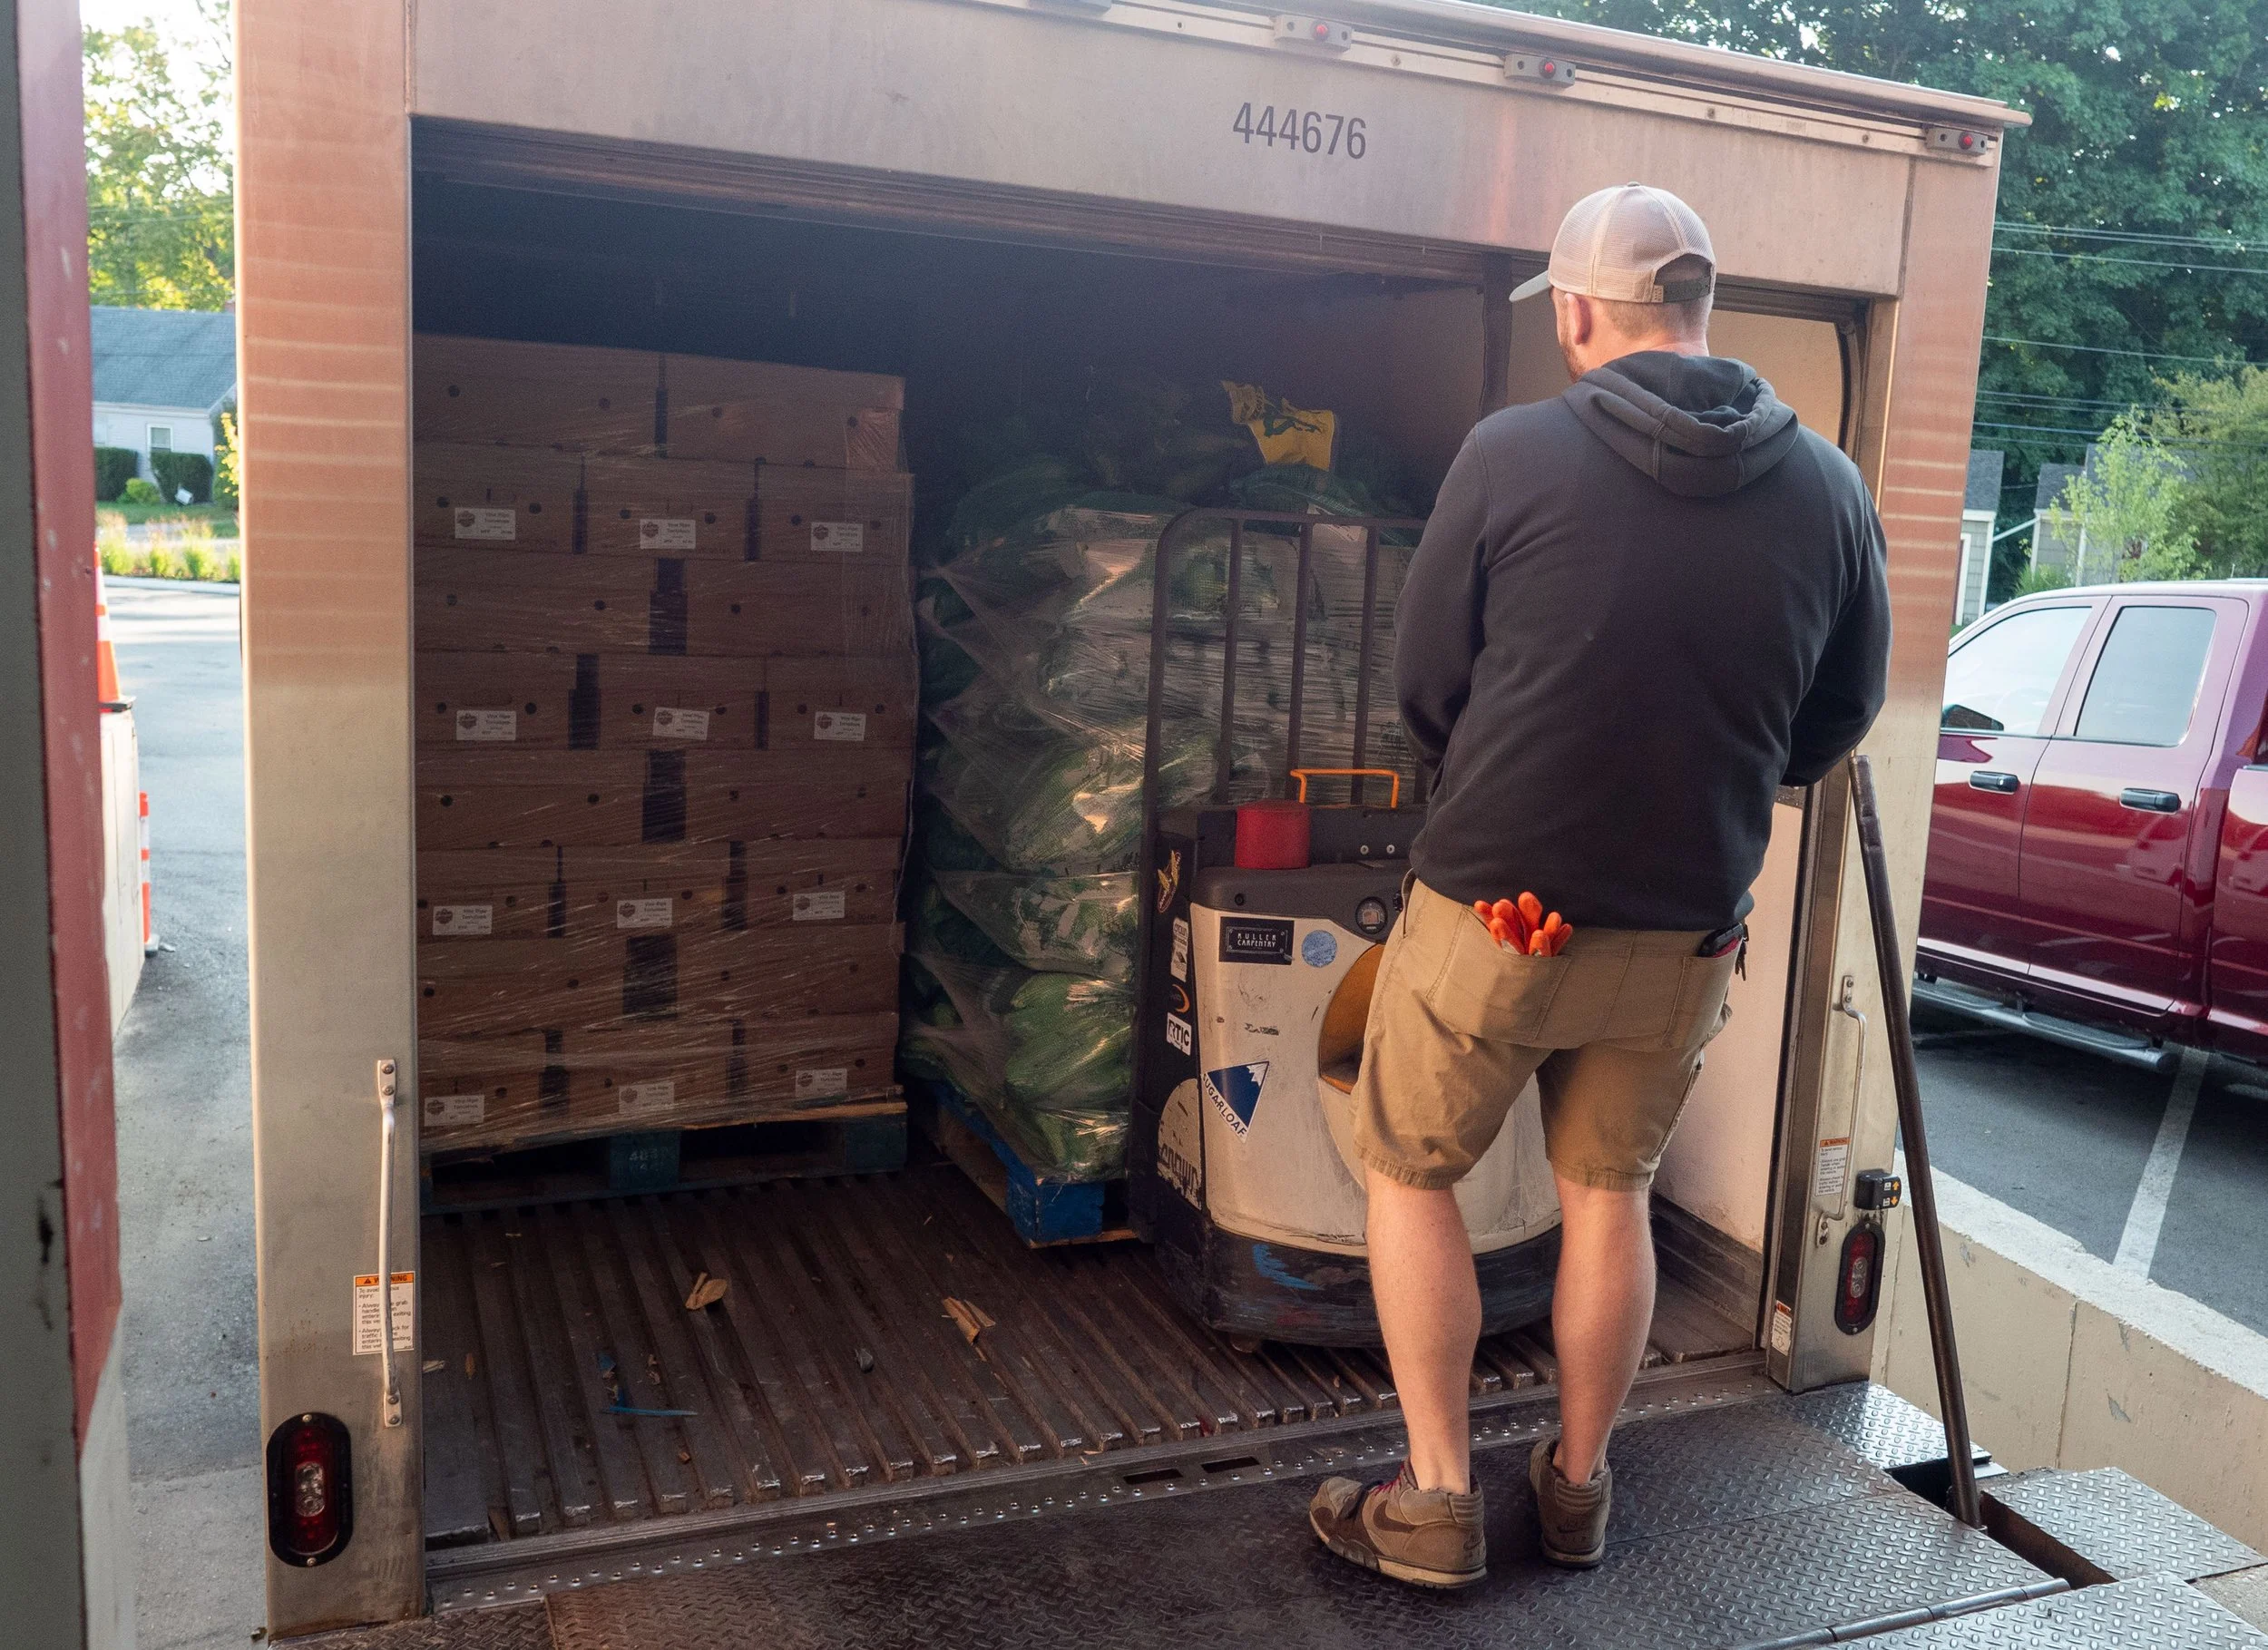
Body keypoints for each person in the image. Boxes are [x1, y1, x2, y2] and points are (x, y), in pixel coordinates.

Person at [1308, 182, 1891, 1587]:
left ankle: (1436, 1499)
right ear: (1701, 306)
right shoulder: (1830, 487)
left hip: (1502, 905)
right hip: (1690, 922)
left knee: (1409, 1172)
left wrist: (1497, 799)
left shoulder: (1511, 453)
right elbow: (1838, 715)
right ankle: (1577, 1489)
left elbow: (1426, 682)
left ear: (1575, 311)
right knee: (1609, 1191)